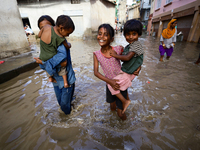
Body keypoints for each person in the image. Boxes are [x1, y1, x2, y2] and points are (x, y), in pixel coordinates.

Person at [93, 24, 141, 120]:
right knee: (112, 107)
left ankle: (126, 127)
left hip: (120, 83)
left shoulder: (118, 49)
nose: (101, 37)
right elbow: (96, 72)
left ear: (111, 39)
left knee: (120, 113)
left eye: (105, 34)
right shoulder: (96, 54)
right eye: (100, 34)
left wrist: (139, 68)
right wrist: (110, 82)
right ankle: (113, 127)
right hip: (110, 84)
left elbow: (132, 57)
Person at [34, 15, 76, 115]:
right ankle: (69, 113)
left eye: (47, 26)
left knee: (65, 106)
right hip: (56, 79)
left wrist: (43, 63)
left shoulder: (60, 42)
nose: (45, 29)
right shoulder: (47, 44)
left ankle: (69, 122)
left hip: (66, 80)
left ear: (54, 26)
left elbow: (62, 62)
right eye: (42, 28)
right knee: (61, 103)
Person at [108, 19, 144, 114]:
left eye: (134, 34)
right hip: (127, 72)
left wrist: (115, 55)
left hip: (128, 73)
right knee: (120, 87)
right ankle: (126, 100)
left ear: (139, 34)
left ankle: (125, 101)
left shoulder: (136, 45)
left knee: (110, 84)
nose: (131, 37)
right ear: (124, 35)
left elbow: (127, 58)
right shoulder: (130, 45)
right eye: (128, 34)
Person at [38, 15, 74, 88]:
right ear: (61, 28)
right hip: (50, 62)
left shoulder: (45, 28)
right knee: (63, 65)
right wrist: (69, 44)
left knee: (48, 68)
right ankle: (65, 82)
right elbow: (67, 46)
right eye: (68, 34)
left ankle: (51, 77)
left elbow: (39, 35)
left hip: (42, 59)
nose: (68, 36)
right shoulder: (60, 38)